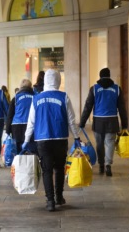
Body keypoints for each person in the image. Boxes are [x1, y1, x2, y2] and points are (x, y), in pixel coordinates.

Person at [23, 69, 79, 212]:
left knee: (47, 170)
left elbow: (31, 122)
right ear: (58, 80)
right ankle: (59, 197)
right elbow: (72, 120)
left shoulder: (36, 98)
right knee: (59, 168)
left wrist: (26, 140)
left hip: (42, 139)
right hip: (60, 138)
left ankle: (50, 201)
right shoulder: (64, 97)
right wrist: (77, 137)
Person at [79, 67, 128, 177]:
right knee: (110, 142)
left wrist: (82, 122)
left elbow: (88, 107)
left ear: (100, 76)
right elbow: (122, 108)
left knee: (100, 144)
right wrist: (125, 124)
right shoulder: (117, 89)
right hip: (112, 120)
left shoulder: (94, 89)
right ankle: (108, 165)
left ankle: (101, 164)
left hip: (98, 121)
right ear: (109, 76)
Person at [6, 78, 35, 154]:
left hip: (17, 127)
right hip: (31, 126)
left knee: (18, 149)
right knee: (32, 148)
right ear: (30, 86)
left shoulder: (15, 98)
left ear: (20, 87)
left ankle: (20, 162)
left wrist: (8, 131)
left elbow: (10, 115)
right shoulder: (35, 97)